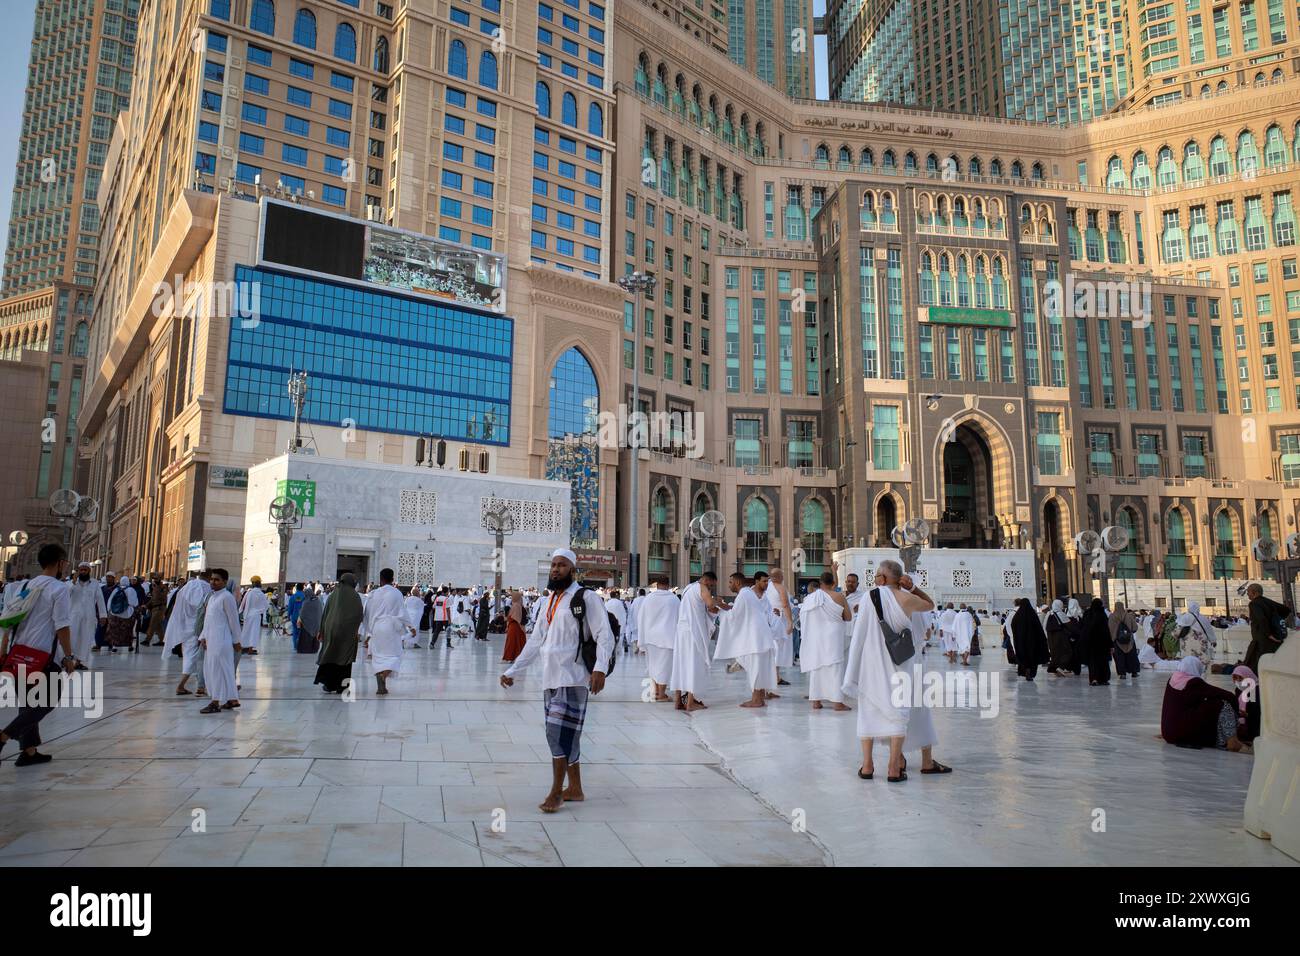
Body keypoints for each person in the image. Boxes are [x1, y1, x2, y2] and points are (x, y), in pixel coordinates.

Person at [500, 549, 613, 813]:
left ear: (572, 569)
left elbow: (603, 634)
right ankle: (575, 789)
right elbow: (536, 640)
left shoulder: (586, 598)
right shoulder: (551, 600)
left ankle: (555, 792)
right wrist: (514, 671)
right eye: (553, 565)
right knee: (569, 737)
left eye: (561, 565)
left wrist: (600, 668)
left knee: (555, 733)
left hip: (573, 677)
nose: (555, 569)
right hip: (550, 678)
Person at [843, 559, 936, 783]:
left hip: (872, 664)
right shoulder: (908, 599)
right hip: (901, 665)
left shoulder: (869, 597)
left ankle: (867, 766)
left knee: (868, 711)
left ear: (882, 579)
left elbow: (860, 634)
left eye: (876, 575)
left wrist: (852, 670)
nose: (875, 579)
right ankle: (894, 768)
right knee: (899, 713)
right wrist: (912, 587)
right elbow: (930, 604)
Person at [0, 543, 77, 766]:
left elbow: (9, 620)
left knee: (27, 702)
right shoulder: (58, 588)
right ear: (60, 563)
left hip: (19, 652)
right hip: (42, 655)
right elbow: (62, 625)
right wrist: (69, 657)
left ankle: (29, 752)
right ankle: (3, 736)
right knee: (46, 702)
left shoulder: (26, 585)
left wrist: (4, 649)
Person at [712, 571, 777, 708]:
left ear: (737, 582)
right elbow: (736, 610)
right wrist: (722, 605)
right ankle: (759, 698)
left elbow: (734, 615)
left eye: (730, 582)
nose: (729, 586)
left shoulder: (743, 594)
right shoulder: (748, 593)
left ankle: (757, 700)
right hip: (760, 637)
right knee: (758, 668)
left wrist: (719, 607)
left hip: (756, 638)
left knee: (756, 668)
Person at [1159, 656, 1246, 751]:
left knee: (1210, 704)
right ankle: (1232, 740)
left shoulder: (1172, 679)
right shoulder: (1193, 682)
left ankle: (1225, 738)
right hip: (1180, 733)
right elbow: (1226, 695)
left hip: (1168, 733)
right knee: (1222, 704)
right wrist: (1236, 712)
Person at [798, 573, 851, 710]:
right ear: (833, 582)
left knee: (817, 667)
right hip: (833, 636)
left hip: (816, 636)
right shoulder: (839, 596)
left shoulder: (810, 598)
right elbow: (848, 617)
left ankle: (816, 701)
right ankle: (837, 703)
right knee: (834, 667)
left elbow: (803, 618)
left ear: (820, 583)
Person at [671, 571, 721, 711]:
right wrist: (718, 602)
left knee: (681, 664)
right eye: (711, 585)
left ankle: (678, 701)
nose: (711, 588)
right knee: (693, 664)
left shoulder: (688, 588)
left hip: (682, 631)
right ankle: (690, 702)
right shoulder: (702, 587)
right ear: (706, 580)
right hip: (692, 633)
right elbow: (710, 604)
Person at [198, 568, 241, 713]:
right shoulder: (212, 597)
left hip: (222, 641)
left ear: (224, 582)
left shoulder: (227, 597)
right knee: (224, 671)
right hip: (212, 639)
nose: (213, 582)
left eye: (217, 580)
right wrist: (203, 636)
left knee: (216, 670)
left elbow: (234, 621)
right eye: (211, 579)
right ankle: (232, 699)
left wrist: (236, 641)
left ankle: (215, 702)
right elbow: (208, 620)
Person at [315, 573, 363, 693]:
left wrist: (321, 630)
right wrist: (356, 630)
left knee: (331, 655)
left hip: (331, 631)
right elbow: (359, 615)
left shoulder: (333, 595)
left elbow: (325, 614)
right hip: (347, 633)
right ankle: (343, 686)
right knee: (345, 658)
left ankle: (329, 685)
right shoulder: (355, 596)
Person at [362, 568, 407, 695]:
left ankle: (381, 686)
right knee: (395, 656)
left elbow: (366, 613)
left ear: (380, 579)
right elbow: (402, 612)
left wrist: (369, 629)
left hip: (376, 628)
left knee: (378, 657)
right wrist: (410, 626)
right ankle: (383, 676)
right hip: (391, 628)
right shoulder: (397, 593)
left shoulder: (373, 594)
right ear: (392, 579)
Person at [166, 571, 212, 696]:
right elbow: (203, 609)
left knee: (193, 655)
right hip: (197, 627)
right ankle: (181, 685)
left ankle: (202, 686)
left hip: (184, 626)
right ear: (209, 577)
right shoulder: (205, 588)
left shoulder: (186, 587)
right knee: (194, 657)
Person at [637, 575, 680, 702]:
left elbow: (641, 618)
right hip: (667, 637)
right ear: (668, 585)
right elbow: (679, 619)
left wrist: (642, 637)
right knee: (664, 667)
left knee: (653, 665)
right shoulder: (674, 600)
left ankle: (655, 691)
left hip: (650, 638)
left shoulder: (648, 599)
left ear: (656, 585)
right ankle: (661, 694)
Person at [67, 561, 106, 669]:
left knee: (85, 639)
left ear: (89, 571)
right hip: (73, 616)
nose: (83, 572)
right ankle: (68, 661)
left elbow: (100, 599)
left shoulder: (94, 583)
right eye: (81, 570)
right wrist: (73, 582)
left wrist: (103, 615)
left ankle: (79, 662)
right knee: (71, 638)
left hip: (89, 616)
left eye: (85, 570)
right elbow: (66, 594)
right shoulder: (71, 583)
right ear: (78, 571)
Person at [1244, 583, 1289, 673]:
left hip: (1262, 640)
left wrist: (1269, 634)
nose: (1247, 594)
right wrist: (1275, 622)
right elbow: (1286, 610)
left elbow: (1261, 619)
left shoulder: (1254, 603)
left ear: (1254, 592)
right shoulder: (1268, 602)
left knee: (1256, 665)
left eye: (1248, 592)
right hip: (1273, 640)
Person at [1009, 597, 1050, 681]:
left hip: (1021, 642)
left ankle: (1025, 670)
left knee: (1023, 656)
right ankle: (1030, 673)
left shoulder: (1017, 615)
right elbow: (1039, 628)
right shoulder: (1032, 615)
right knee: (1032, 657)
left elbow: (1013, 626)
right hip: (1032, 642)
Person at [767, 568, 795, 686]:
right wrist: (790, 622)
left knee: (773, 649)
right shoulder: (780, 587)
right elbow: (785, 604)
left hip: (769, 619)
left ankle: (775, 676)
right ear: (779, 576)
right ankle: (775, 677)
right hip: (779, 621)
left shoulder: (767, 587)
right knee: (778, 649)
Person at [1079, 597, 1111, 685]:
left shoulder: (1087, 613)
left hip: (1090, 643)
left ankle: (1094, 679)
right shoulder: (1102, 614)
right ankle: (1104, 679)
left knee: (1092, 662)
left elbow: (1083, 627)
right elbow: (1106, 630)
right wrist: (1110, 643)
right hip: (1102, 643)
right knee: (1103, 662)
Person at [105, 574, 138, 652]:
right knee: (127, 631)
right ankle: (129, 645)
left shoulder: (116, 590)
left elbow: (110, 601)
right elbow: (134, 603)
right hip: (127, 614)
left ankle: (114, 646)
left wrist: (109, 611)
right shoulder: (131, 590)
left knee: (115, 631)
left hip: (115, 614)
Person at [1109, 601, 1140, 679]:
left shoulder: (1112, 616)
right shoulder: (1129, 616)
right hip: (1129, 640)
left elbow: (1110, 629)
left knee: (1119, 658)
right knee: (1132, 656)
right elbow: (1135, 628)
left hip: (1117, 641)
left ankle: (1122, 673)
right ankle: (1134, 672)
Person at [239, 578, 269, 656]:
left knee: (246, 631)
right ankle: (250, 649)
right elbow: (266, 606)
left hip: (247, 615)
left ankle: (243, 648)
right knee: (253, 632)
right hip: (256, 616)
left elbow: (243, 603)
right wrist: (259, 611)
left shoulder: (249, 593)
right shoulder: (261, 594)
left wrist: (241, 612)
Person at [1232, 665, 1261, 746]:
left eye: (1240, 678)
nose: (1237, 681)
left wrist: (1247, 714)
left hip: (1253, 728)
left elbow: (1258, 711)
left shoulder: (1254, 690)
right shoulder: (1239, 690)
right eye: (1235, 678)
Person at [503, 588, 528, 662]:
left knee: (512, 642)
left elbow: (515, 617)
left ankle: (510, 657)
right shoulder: (518, 605)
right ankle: (513, 658)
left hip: (514, 626)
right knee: (515, 642)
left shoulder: (516, 605)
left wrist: (507, 618)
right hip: (515, 626)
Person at [296, 587, 323, 654]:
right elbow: (321, 611)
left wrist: (299, 620)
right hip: (317, 623)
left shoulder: (306, 602)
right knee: (315, 637)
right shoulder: (318, 601)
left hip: (307, 624)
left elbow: (302, 613)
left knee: (306, 637)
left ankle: (305, 650)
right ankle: (314, 649)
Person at [287, 584, 307, 651]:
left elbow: (290, 607)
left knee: (295, 631)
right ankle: (301, 645)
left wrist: (288, 616)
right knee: (302, 632)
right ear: (302, 588)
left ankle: (295, 646)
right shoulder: (305, 596)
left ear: (296, 588)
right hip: (303, 617)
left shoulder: (293, 597)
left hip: (295, 617)